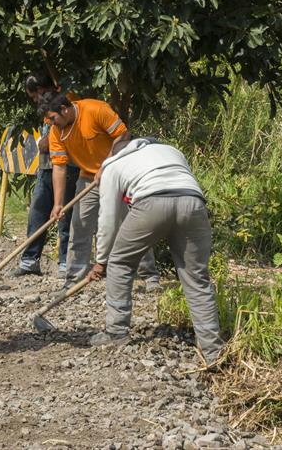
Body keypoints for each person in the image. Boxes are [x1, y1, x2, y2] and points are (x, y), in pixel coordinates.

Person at [87, 138, 225, 365]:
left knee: (120, 262)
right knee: (196, 277)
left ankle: (116, 332)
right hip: (192, 203)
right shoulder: (171, 150)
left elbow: (108, 220)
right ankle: (212, 351)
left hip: (151, 202)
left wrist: (102, 261)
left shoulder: (112, 165)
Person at [40, 91, 158, 296]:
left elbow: (123, 135)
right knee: (80, 226)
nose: (51, 123)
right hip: (87, 179)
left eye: (52, 118)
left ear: (64, 109)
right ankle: (73, 280)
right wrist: (58, 204)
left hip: (118, 174)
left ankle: (150, 277)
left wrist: (107, 164)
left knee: (130, 224)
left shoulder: (95, 109)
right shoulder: (56, 132)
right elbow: (59, 167)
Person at [11, 72, 79, 279]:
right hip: (46, 168)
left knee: (65, 215)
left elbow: (62, 131)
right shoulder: (46, 107)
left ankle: (65, 263)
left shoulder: (69, 99)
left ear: (43, 89)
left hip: (68, 167)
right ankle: (30, 260)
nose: (35, 101)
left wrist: (47, 140)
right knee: (37, 213)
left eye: (35, 96)